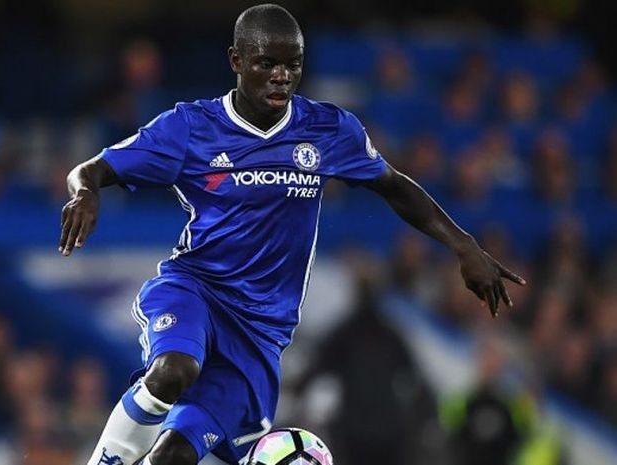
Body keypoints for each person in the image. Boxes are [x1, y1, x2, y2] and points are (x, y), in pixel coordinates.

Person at [59, 5, 526, 465]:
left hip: (261, 332)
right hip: (196, 290)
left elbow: (393, 186)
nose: (281, 75)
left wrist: (464, 245)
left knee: (175, 455)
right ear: (236, 61)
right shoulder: (189, 127)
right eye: (267, 63)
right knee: (173, 370)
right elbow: (93, 169)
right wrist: (85, 194)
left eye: (292, 64)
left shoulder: (328, 129)